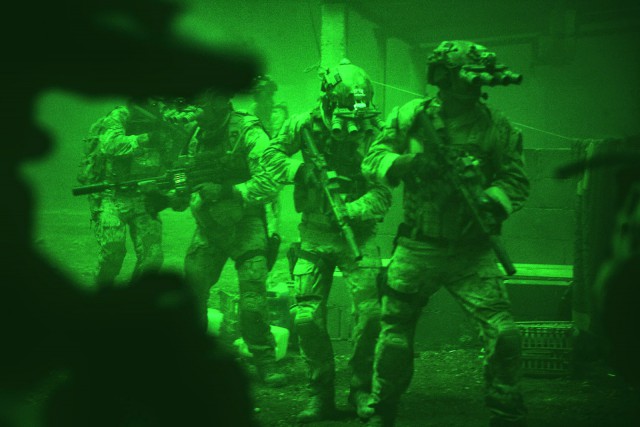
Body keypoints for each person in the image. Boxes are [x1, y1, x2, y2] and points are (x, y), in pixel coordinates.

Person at [361, 40, 530, 427]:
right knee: (394, 339)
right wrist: (411, 164)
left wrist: (489, 201)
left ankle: (505, 412)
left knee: (504, 334)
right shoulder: (410, 116)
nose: (474, 85)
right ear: (443, 77)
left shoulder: (496, 126)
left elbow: (516, 180)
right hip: (418, 247)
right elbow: (373, 159)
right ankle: (382, 409)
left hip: (472, 252)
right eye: (466, 76)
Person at [258, 59, 391, 422]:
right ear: (330, 101)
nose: (351, 124)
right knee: (305, 318)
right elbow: (269, 155)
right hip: (314, 235)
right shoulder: (303, 123)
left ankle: (361, 389)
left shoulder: (374, 131)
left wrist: (354, 209)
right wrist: (301, 171)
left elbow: (383, 192)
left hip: (359, 236)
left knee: (371, 314)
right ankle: (320, 394)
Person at [181, 88, 286, 387]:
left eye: (199, 104)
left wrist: (228, 190)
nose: (194, 111)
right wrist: (172, 193)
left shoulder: (248, 131)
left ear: (218, 102)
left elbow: (271, 179)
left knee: (253, 299)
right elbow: (184, 177)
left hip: (246, 224)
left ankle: (264, 360)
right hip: (209, 225)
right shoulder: (194, 135)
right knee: (193, 290)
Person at [87, 97, 191, 287]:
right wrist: (148, 138)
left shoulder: (169, 117)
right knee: (112, 252)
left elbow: (178, 158)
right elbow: (111, 145)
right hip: (112, 194)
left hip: (145, 196)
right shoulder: (121, 115)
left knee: (153, 259)